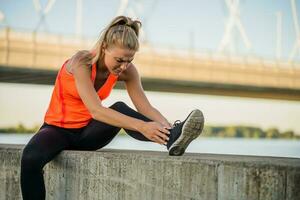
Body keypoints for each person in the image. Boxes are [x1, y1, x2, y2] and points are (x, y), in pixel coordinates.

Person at [20, 15, 204, 200]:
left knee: (119, 107)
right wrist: (141, 126)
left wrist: (166, 125)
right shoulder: (81, 63)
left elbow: (145, 107)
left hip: (88, 134)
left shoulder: (128, 72)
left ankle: (173, 136)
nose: (124, 66)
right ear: (104, 47)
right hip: (57, 130)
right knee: (29, 159)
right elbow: (96, 109)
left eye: (129, 60)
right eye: (119, 60)